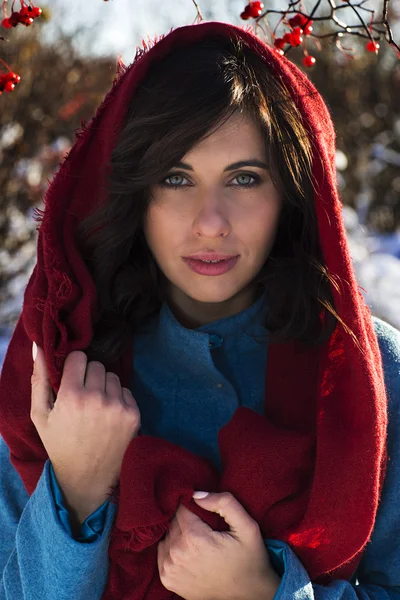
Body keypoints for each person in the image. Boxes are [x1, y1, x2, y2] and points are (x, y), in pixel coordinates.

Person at [0, 19, 399, 600]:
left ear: (291, 194)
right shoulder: (59, 372)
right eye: (176, 177)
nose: (210, 222)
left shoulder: (369, 379)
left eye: (243, 178)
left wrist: (266, 592)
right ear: (134, 194)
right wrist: (76, 491)